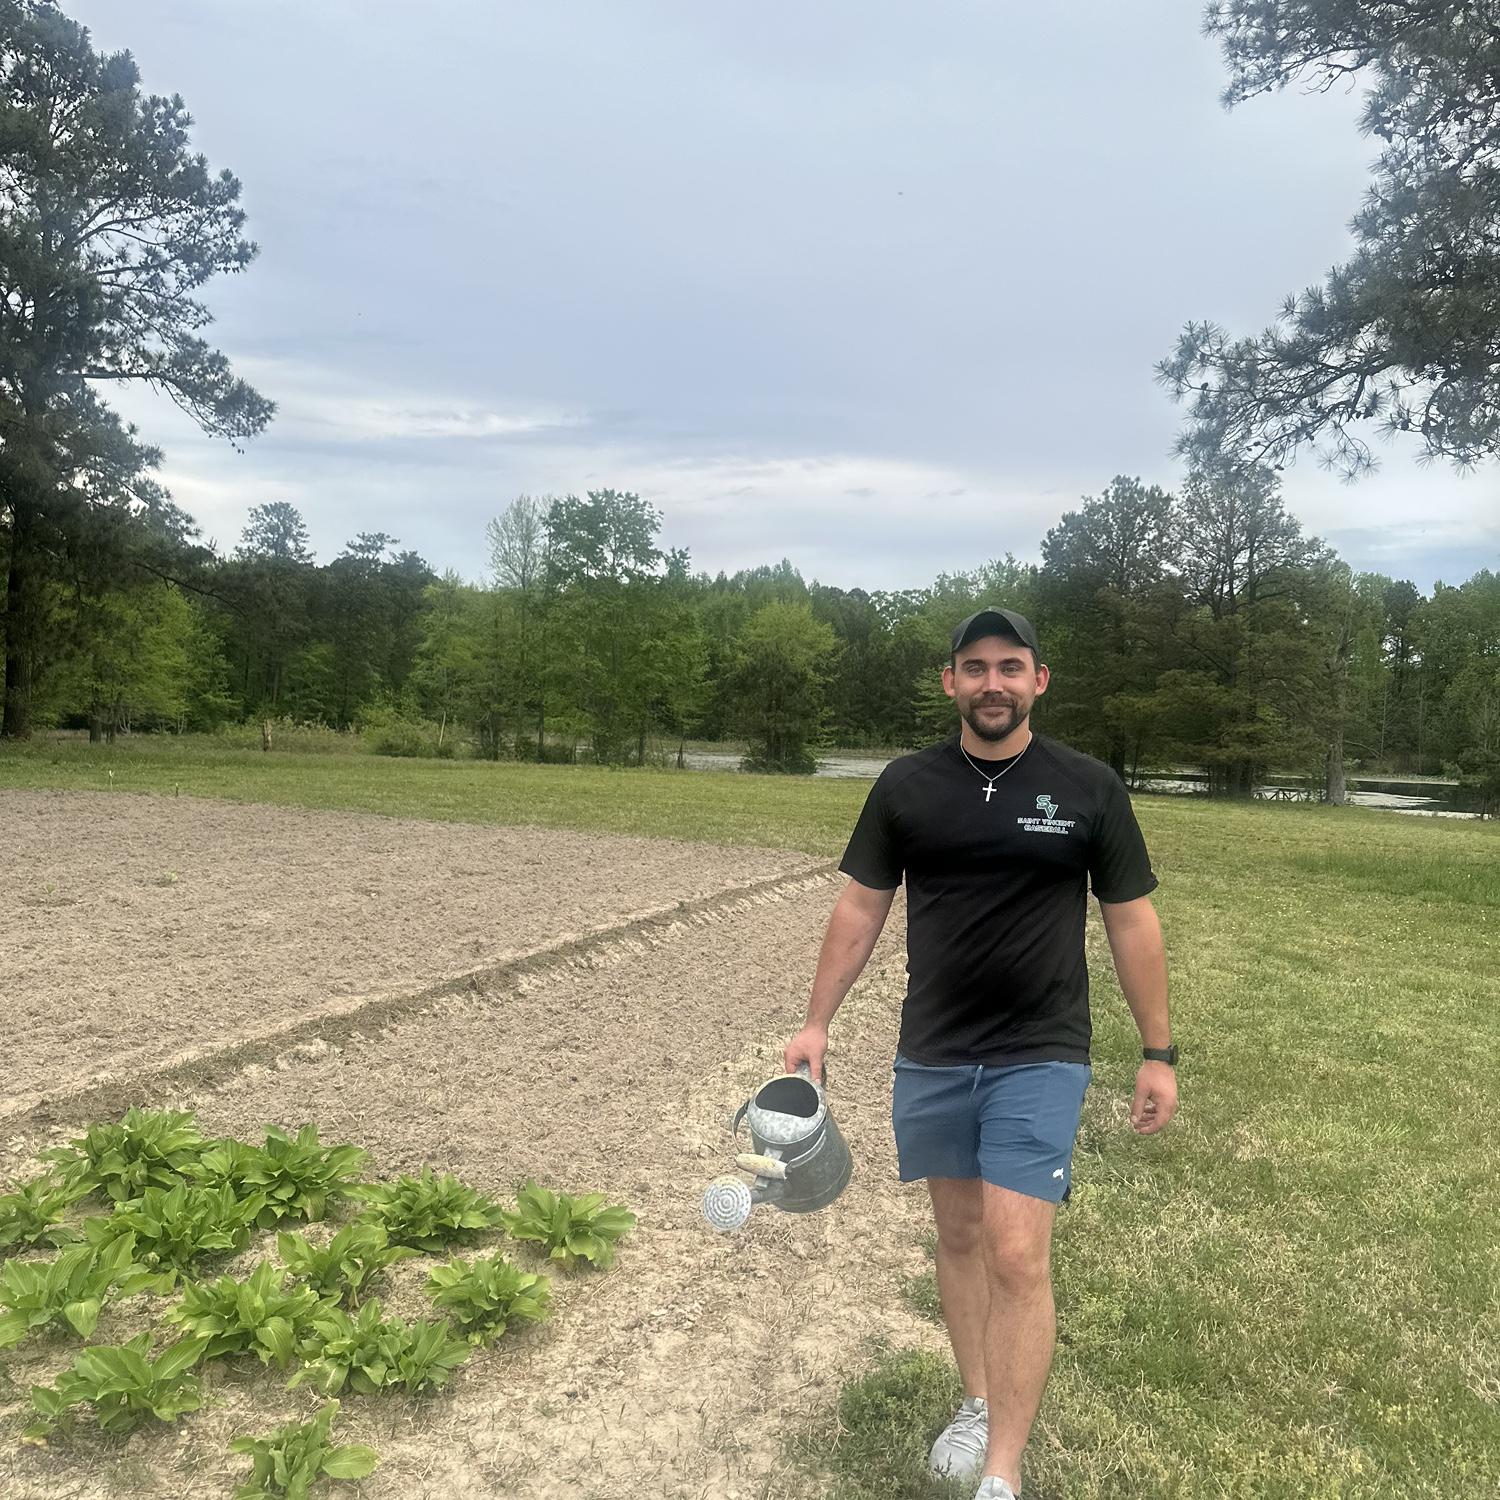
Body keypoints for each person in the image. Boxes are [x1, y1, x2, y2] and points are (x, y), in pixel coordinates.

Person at [781, 606, 1177, 1500]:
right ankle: (974, 1398)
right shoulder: (906, 787)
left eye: (1010, 666)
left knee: (1015, 1253)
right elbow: (861, 907)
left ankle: (1002, 1466)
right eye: (974, 667)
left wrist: (1159, 1050)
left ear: (1039, 681)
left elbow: (1130, 919)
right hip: (932, 1049)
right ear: (950, 681)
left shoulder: (1088, 788)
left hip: (1041, 1050)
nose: (991, 683)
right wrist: (816, 1023)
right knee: (957, 1235)